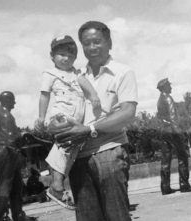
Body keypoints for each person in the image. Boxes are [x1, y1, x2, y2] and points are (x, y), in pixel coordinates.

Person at [48, 21, 138, 221]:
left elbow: (128, 112)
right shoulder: (76, 76)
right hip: (78, 157)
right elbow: (60, 109)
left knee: (117, 216)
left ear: (109, 43)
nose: (91, 48)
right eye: (86, 44)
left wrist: (89, 129)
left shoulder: (123, 72)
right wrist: (55, 125)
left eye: (97, 42)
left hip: (109, 152)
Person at [35, 35, 102, 209]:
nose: (66, 58)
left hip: (76, 118)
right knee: (65, 143)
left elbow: (86, 85)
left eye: (70, 55)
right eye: (61, 54)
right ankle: (56, 185)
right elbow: (44, 95)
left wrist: (94, 96)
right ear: (52, 56)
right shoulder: (51, 74)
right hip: (61, 115)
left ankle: (58, 183)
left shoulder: (77, 74)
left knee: (70, 147)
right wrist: (41, 117)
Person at [0, 91, 36, 221]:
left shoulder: (4, 114)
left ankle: (18, 215)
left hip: (10, 154)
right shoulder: (5, 115)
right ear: (6, 101)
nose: (15, 103)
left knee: (16, 186)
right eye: (12, 100)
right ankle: (1, 217)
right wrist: (22, 135)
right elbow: (10, 138)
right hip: (7, 153)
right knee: (4, 187)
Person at [156, 78, 191, 195]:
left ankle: (165, 187)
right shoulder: (168, 98)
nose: (171, 87)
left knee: (165, 160)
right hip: (172, 131)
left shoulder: (159, 100)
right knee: (182, 157)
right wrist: (180, 134)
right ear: (164, 87)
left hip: (164, 131)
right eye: (169, 85)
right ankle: (184, 184)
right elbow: (173, 118)